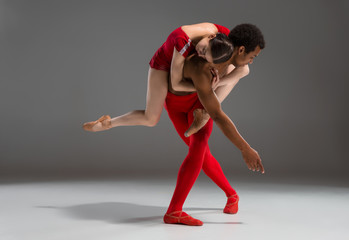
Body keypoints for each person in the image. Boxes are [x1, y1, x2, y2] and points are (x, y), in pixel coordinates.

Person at [162, 23, 265, 226]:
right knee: (202, 155)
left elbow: (216, 114)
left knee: (198, 149)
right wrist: (245, 149)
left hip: (199, 104)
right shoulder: (213, 48)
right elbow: (199, 32)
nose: (252, 61)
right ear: (241, 49)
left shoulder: (230, 65)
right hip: (173, 101)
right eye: (252, 56)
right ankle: (232, 194)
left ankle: (174, 210)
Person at [82, 23, 248, 135]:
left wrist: (218, 83)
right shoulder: (183, 40)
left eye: (205, 56)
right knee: (150, 119)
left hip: (186, 63)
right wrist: (206, 88)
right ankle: (108, 123)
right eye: (203, 50)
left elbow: (245, 69)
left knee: (236, 69)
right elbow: (176, 83)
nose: (200, 54)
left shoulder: (224, 40)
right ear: (212, 37)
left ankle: (205, 114)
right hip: (164, 64)